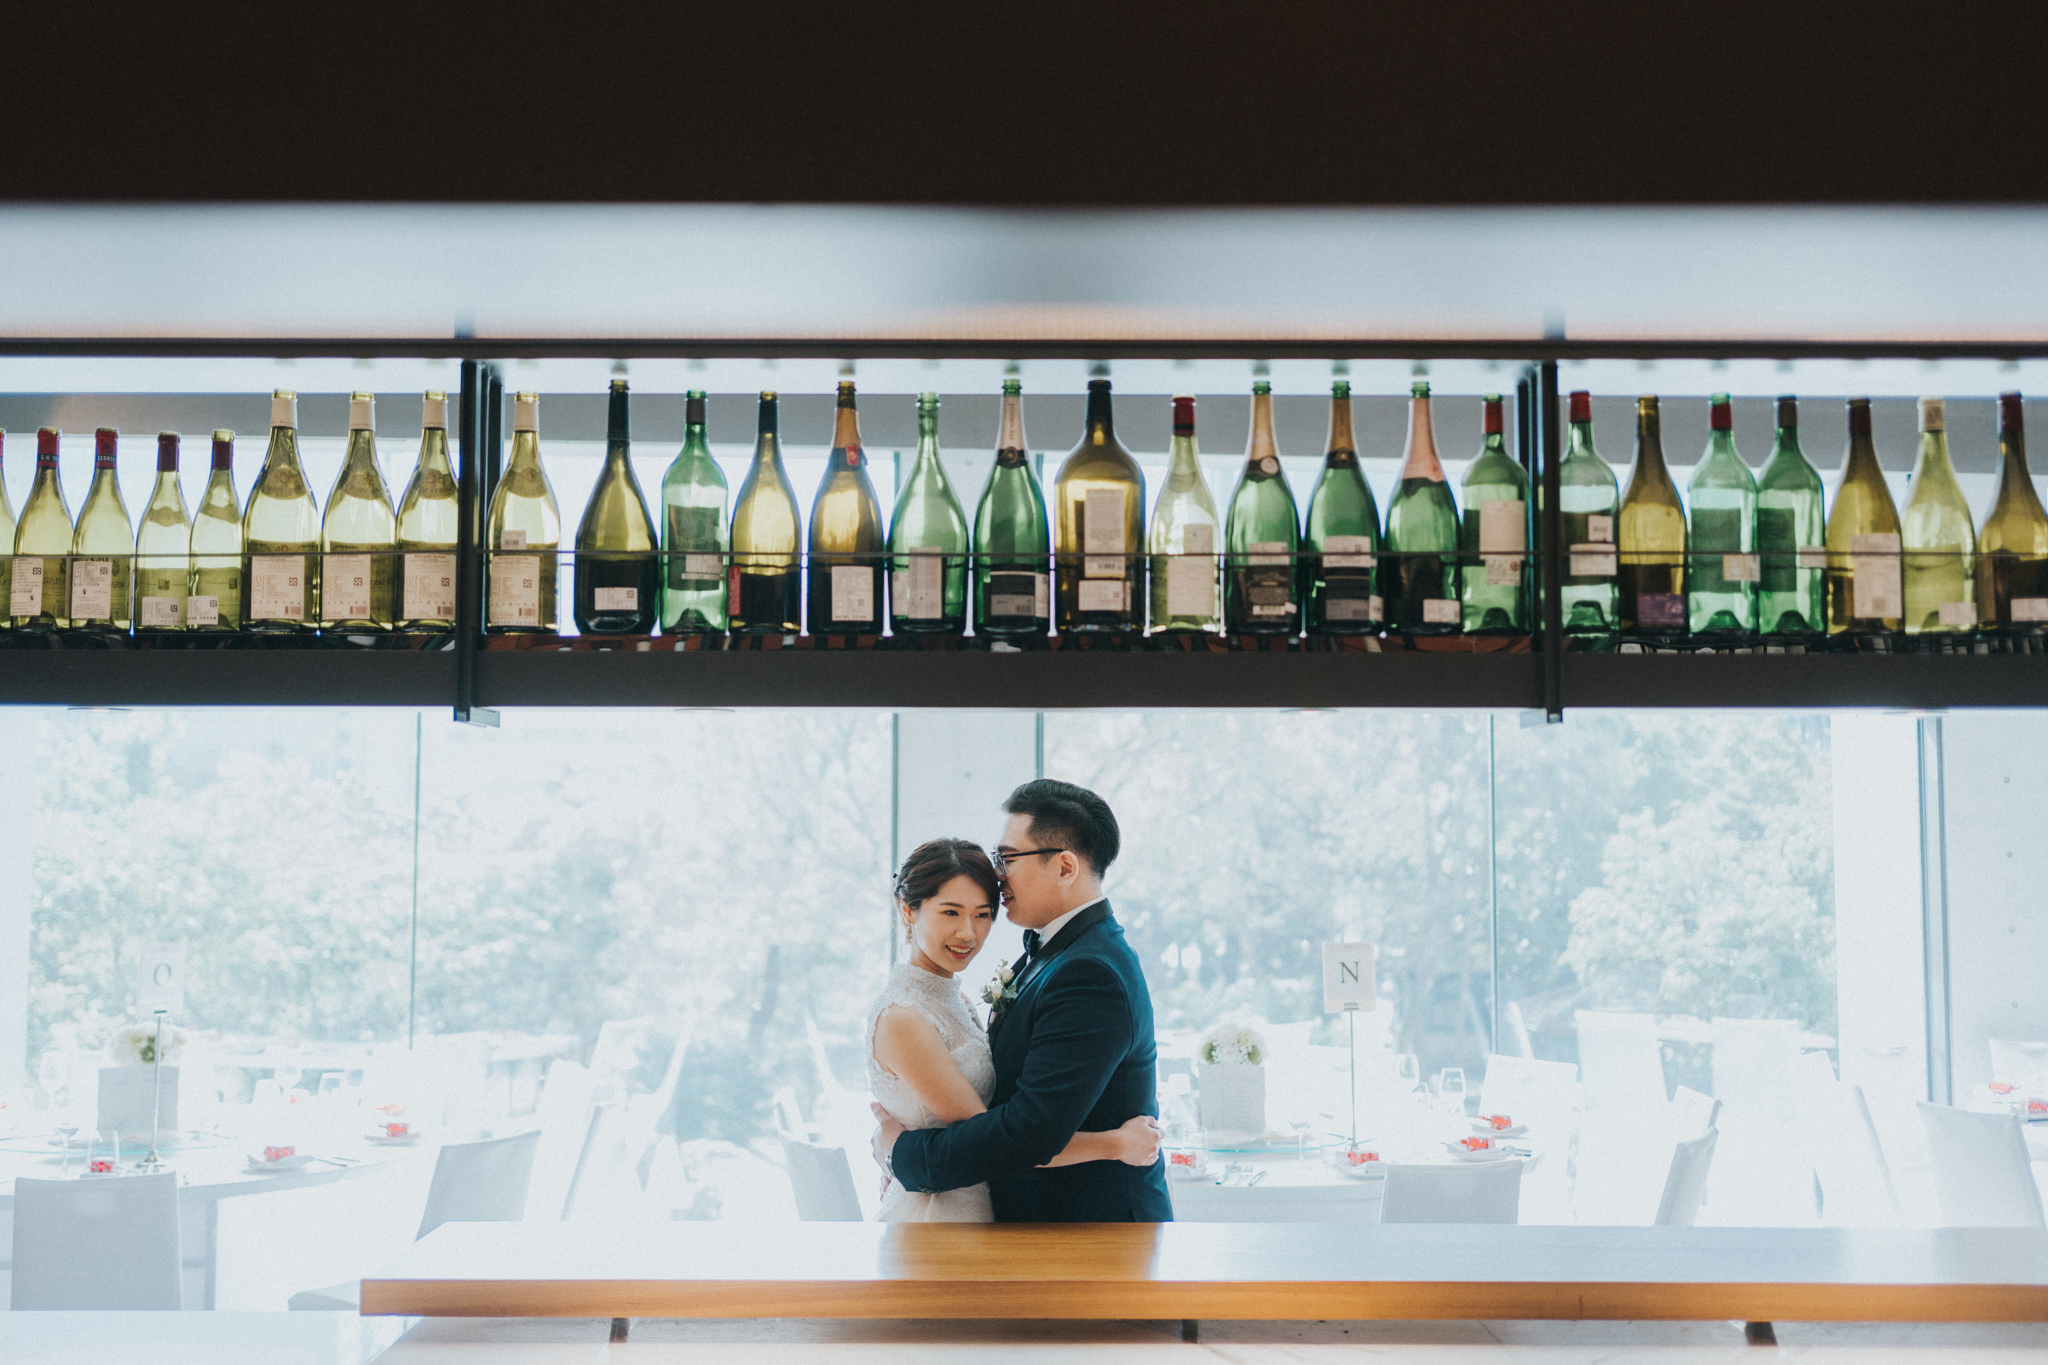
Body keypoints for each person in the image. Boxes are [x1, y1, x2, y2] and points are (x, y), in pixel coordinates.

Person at [873, 780, 1174, 1222]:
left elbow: (1027, 1132)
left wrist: (901, 1154)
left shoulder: (1090, 972)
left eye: (1008, 858)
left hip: (1090, 1228)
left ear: (1065, 867)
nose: (998, 876)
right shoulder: (1055, 952)